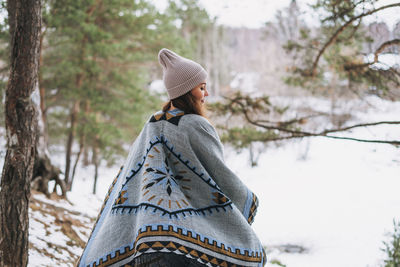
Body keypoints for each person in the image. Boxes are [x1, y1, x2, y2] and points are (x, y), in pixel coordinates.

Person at [78, 48, 266, 267]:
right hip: (186, 237)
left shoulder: (154, 123)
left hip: (148, 230)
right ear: (187, 91)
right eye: (201, 88)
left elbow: (134, 171)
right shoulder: (197, 125)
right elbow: (218, 175)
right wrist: (247, 198)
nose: (206, 95)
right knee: (250, 251)